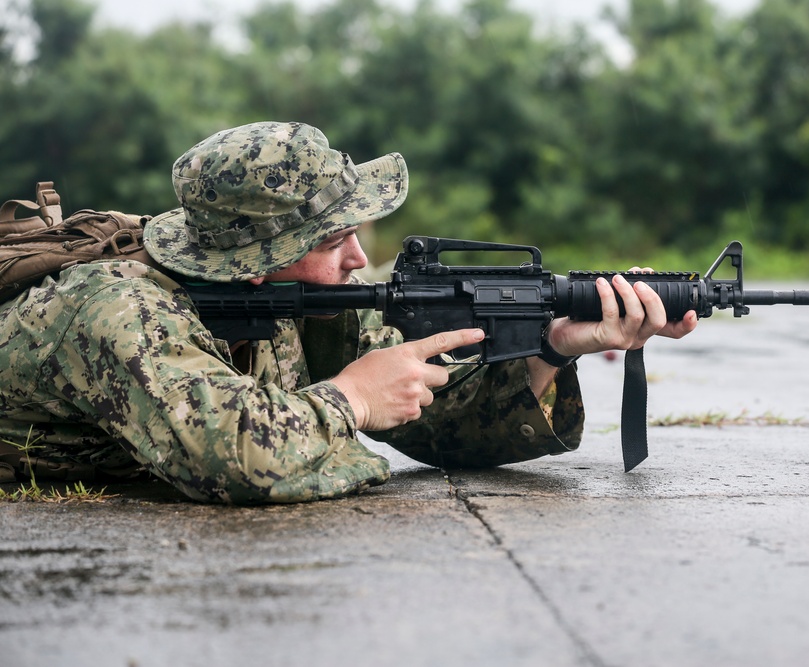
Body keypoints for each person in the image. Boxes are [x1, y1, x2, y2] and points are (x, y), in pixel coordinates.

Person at [0, 121, 697, 503]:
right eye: (334, 238)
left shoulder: (305, 299)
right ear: (255, 257)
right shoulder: (114, 309)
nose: (361, 258)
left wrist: (552, 346)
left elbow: (439, 425)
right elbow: (232, 455)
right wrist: (350, 401)